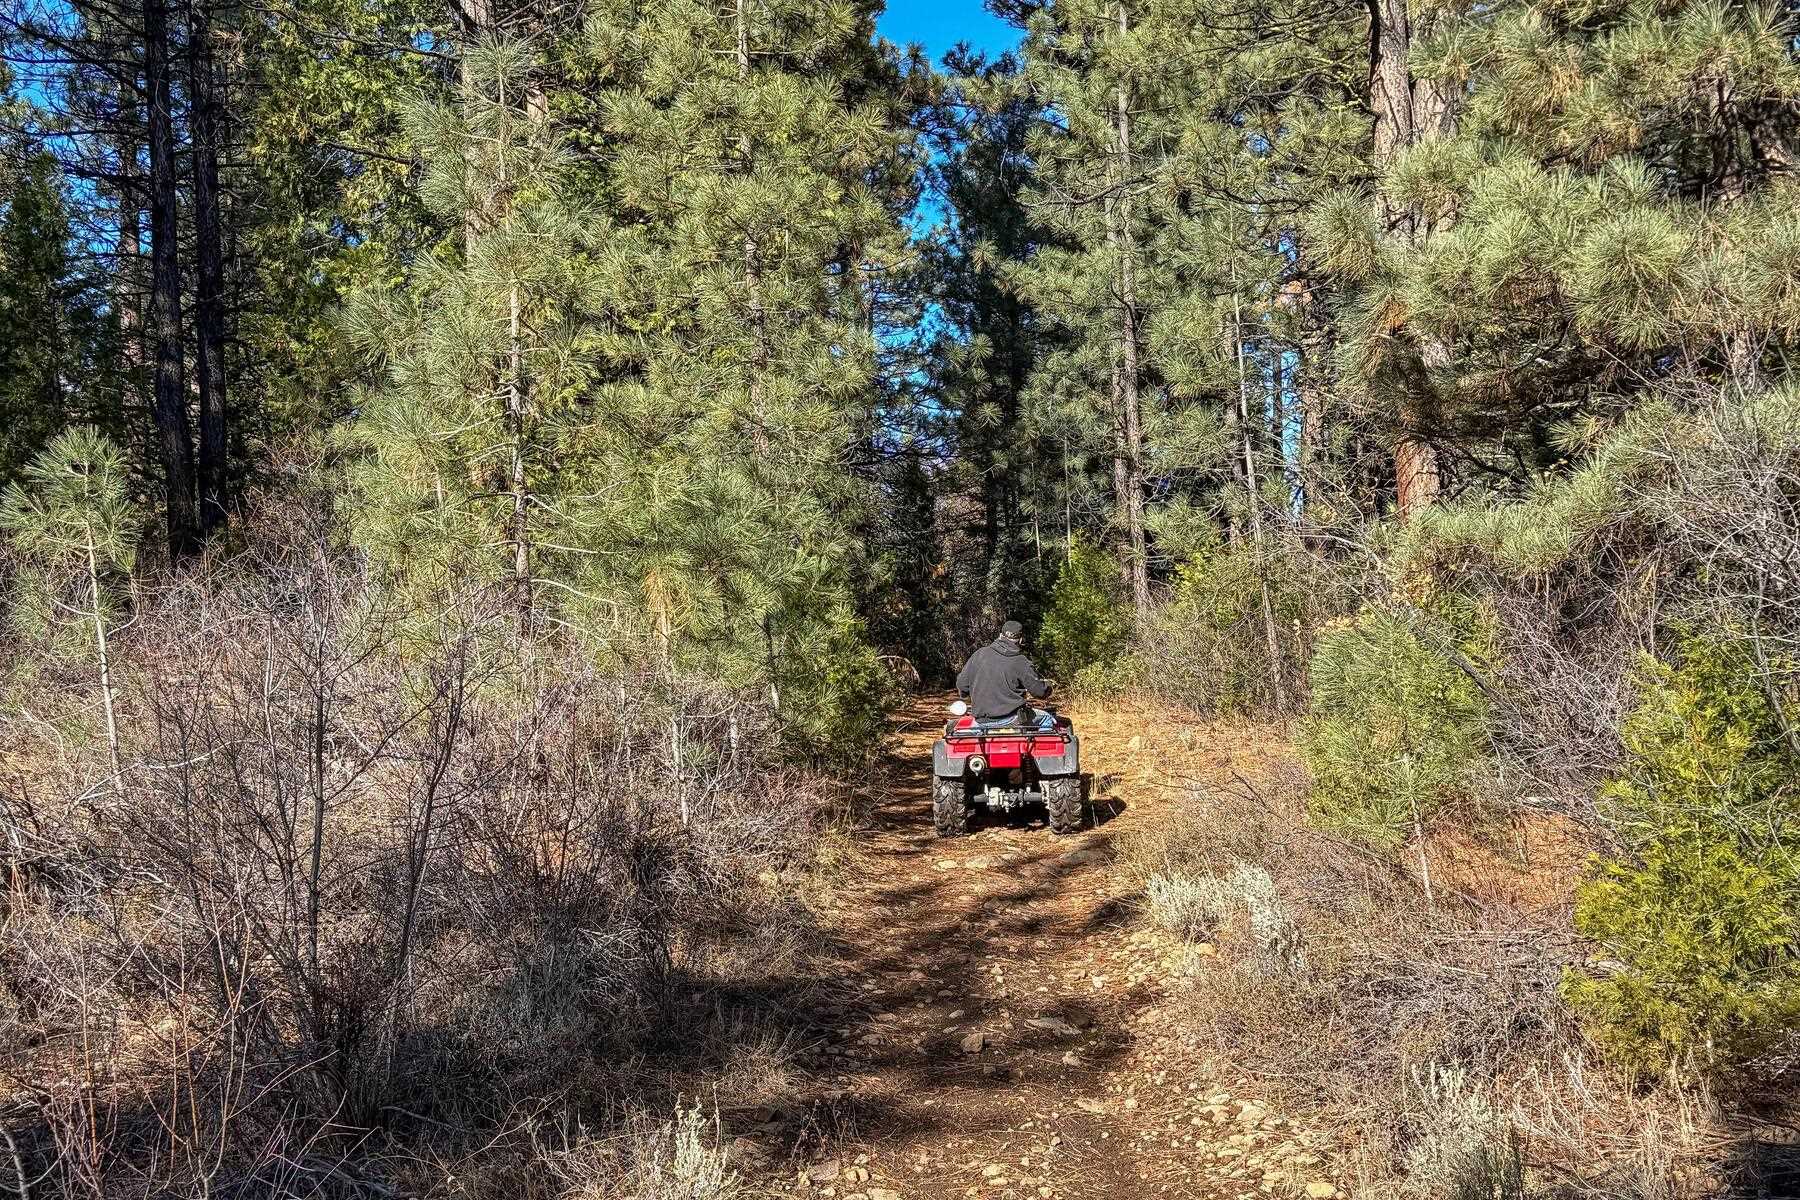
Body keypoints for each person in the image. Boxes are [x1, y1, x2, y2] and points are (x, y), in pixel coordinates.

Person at [956, 620, 1055, 729]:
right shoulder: (1020, 661)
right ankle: (1036, 746)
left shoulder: (979, 654)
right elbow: (1039, 692)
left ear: (1000, 635)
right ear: (1021, 639)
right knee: (1048, 718)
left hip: (981, 722)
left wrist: (966, 694)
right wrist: (1048, 686)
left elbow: (962, 685)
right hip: (1013, 719)